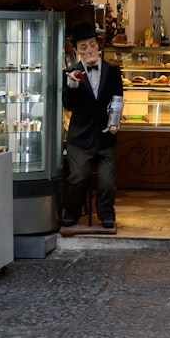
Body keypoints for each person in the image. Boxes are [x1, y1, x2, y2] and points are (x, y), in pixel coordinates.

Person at [62, 20, 124, 229]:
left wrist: (115, 123)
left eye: (91, 45)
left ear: (98, 45)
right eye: (83, 47)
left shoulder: (112, 71)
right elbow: (68, 105)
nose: (88, 50)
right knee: (78, 178)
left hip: (105, 136)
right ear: (78, 51)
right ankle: (72, 212)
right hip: (80, 138)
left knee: (107, 182)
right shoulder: (72, 73)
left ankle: (106, 214)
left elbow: (117, 98)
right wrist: (72, 84)